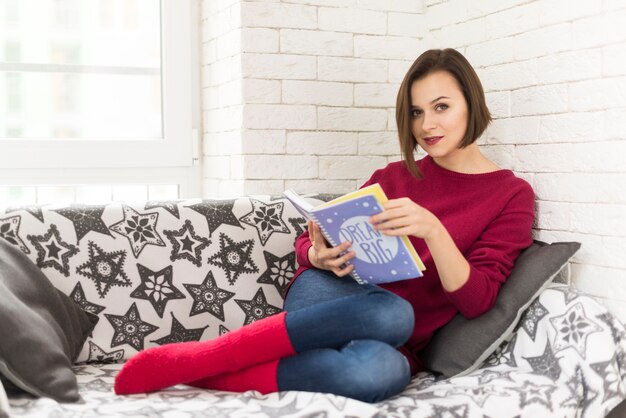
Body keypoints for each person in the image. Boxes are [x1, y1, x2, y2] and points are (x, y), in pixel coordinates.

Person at [113, 48, 535, 403]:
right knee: (392, 311)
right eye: (416, 113)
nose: (427, 126)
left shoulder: (510, 194)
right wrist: (318, 254)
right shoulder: (393, 176)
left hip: (396, 338)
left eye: (441, 107)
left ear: (471, 103)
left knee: (380, 373)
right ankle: (208, 355)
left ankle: (205, 373)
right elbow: (312, 237)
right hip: (331, 292)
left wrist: (434, 231)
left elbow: (478, 300)